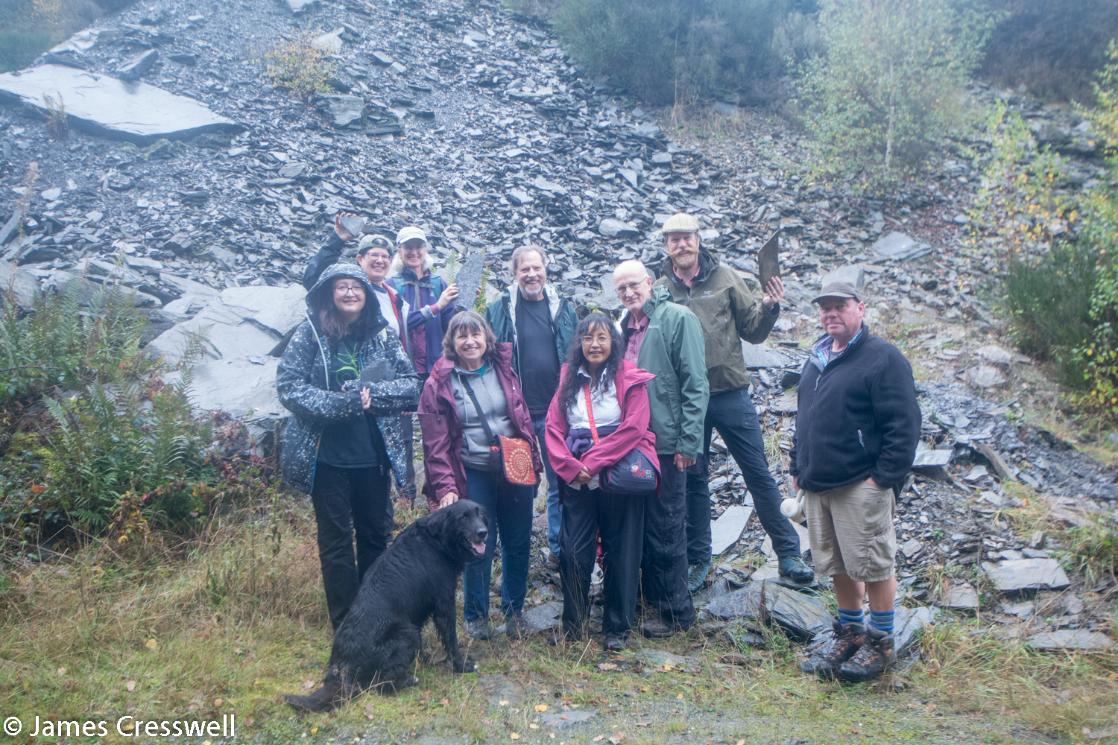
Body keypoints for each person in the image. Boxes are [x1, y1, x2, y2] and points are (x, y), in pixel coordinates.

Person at [656, 212, 813, 590]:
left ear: (698, 239)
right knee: (694, 478)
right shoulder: (660, 287)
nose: (681, 245)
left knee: (757, 472)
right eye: (674, 239)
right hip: (687, 403)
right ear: (666, 246)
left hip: (730, 393)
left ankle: (789, 553)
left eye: (687, 237)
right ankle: (699, 560)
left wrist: (771, 306)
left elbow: (754, 332)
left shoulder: (725, 277)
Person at [277, 264, 419, 631]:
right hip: (326, 458)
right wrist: (340, 404)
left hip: (373, 458)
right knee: (336, 541)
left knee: (375, 535)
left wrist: (372, 397)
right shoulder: (310, 334)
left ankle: (373, 614)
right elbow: (288, 387)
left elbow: (410, 385)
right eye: (341, 287)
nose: (350, 293)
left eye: (355, 287)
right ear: (329, 294)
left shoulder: (383, 334)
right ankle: (345, 622)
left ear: (366, 295)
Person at [792, 281, 920, 683]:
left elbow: (905, 425)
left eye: (839, 306)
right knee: (838, 565)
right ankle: (850, 635)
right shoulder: (816, 358)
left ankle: (880, 642)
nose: (831, 313)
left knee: (875, 564)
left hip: (859, 484)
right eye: (825, 308)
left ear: (860, 308)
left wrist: (881, 479)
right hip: (818, 483)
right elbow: (805, 417)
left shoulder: (883, 358)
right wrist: (798, 465)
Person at [417, 310, 543, 641]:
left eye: (476, 335)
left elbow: (522, 417)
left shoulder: (503, 368)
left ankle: (514, 612)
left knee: (518, 541)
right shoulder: (439, 383)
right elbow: (436, 442)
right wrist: (445, 486)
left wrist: (535, 461)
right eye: (462, 336)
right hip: (472, 472)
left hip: (513, 467)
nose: (470, 341)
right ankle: (476, 615)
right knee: (477, 543)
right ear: (452, 343)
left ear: (487, 338)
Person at [545, 314, 657, 651]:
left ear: (614, 343)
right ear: (579, 343)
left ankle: (616, 629)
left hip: (618, 475)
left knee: (621, 551)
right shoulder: (568, 379)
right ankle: (574, 625)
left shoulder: (629, 379)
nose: (594, 345)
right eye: (588, 338)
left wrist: (593, 463)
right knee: (574, 551)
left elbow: (634, 428)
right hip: (578, 478)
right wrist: (569, 466)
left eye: (602, 338)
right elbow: (553, 428)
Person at [612, 259, 709, 638]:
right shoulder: (621, 327)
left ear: (650, 282)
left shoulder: (677, 318)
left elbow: (695, 384)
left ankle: (676, 612)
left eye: (634, 285)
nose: (628, 293)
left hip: (668, 443)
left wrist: (689, 442)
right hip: (632, 442)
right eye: (621, 289)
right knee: (639, 523)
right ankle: (645, 598)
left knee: (668, 524)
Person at [303, 214, 416, 505]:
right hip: (343, 396)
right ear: (359, 259)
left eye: (384, 256)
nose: (379, 260)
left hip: (385, 394)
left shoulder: (394, 295)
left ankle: (399, 504)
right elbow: (313, 277)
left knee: (392, 455)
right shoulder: (349, 289)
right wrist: (337, 239)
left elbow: (405, 341)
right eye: (373, 255)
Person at [486, 244, 578, 569]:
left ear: (546, 269)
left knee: (559, 481)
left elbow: (577, 355)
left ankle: (558, 548)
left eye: (536, 268)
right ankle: (513, 550)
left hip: (556, 414)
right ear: (515, 273)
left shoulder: (562, 308)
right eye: (524, 269)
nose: (531, 274)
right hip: (516, 417)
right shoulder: (498, 309)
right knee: (518, 482)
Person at [388, 226, 459, 379]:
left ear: (425, 250)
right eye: (408, 247)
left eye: (419, 247)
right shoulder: (392, 286)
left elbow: (451, 325)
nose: (414, 252)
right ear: (399, 251)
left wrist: (464, 299)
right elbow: (398, 324)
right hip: (405, 370)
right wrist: (436, 307)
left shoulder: (438, 283)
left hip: (437, 368)